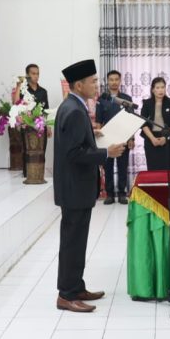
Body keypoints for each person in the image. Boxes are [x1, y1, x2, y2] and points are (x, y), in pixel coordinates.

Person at [53, 59, 126, 313]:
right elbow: (73, 154)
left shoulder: (73, 105)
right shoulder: (74, 110)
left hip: (76, 188)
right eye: (93, 81)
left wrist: (91, 135)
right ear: (78, 85)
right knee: (72, 242)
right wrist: (107, 153)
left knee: (77, 241)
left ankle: (76, 287)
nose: (97, 85)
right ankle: (66, 295)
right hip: (74, 188)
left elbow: (74, 142)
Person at [95, 70, 134, 204]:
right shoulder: (102, 99)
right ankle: (110, 194)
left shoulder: (127, 99)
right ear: (107, 81)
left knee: (123, 167)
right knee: (108, 167)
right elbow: (99, 121)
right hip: (107, 139)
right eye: (111, 79)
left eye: (116, 79)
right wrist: (99, 141)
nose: (114, 82)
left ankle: (122, 193)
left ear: (120, 81)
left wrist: (131, 138)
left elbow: (131, 120)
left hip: (124, 137)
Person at [14, 63, 51, 177]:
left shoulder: (43, 91)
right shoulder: (23, 90)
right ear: (27, 75)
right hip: (27, 125)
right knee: (27, 150)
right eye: (33, 73)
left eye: (38, 73)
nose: (36, 76)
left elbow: (46, 110)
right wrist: (18, 86)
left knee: (42, 149)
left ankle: (39, 173)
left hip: (41, 126)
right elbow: (16, 103)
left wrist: (49, 127)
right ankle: (27, 174)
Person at [140, 76, 170, 171]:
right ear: (153, 90)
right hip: (151, 140)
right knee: (153, 171)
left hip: (167, 139)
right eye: (157, 88)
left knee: (167, 170)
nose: (161, 90)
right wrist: (152, 138)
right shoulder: (147, 103)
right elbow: (143, 123)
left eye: (163, 87)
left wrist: (165, 138)